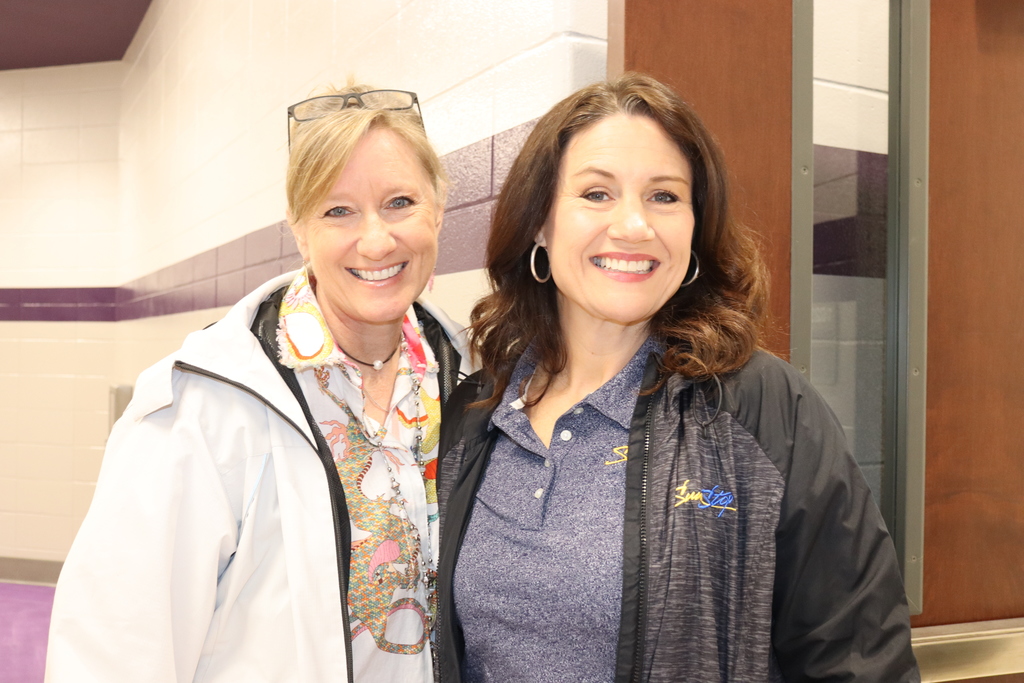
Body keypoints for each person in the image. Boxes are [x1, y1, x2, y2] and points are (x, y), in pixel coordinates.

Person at [435, 73, 920, 682]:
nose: (634, 226)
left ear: (694, 228)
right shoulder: (476, 413)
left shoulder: (763, 411)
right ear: (539, 223)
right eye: (596, 194)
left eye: (664, 196)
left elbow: (858, 659)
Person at [46, 85, 471, 683]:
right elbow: (116, 646)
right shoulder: (202, 404)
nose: (376, 240)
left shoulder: (477, 384)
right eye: (337, 210)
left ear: (438, 211)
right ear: (299, 230)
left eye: (400, 202)